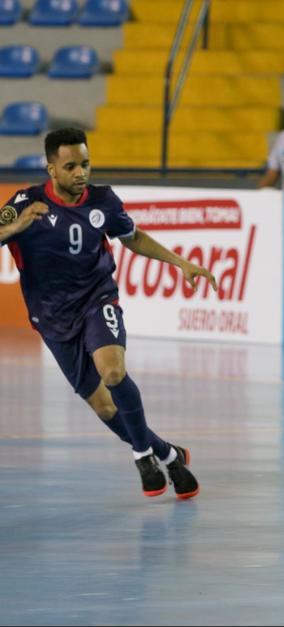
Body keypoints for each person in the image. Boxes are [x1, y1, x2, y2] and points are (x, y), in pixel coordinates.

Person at [0, 128, 218, 499]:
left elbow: (132, 237)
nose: (80, 172)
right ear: (51, 169)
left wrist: (180, 263)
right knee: (103, 407)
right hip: (51, 317)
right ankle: (167, 454)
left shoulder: (103, 200)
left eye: (85, 163)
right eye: (70, 166)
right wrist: (16, 227)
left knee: (113, 371)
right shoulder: (25, 201)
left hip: (96, 299)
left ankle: (142, 456)